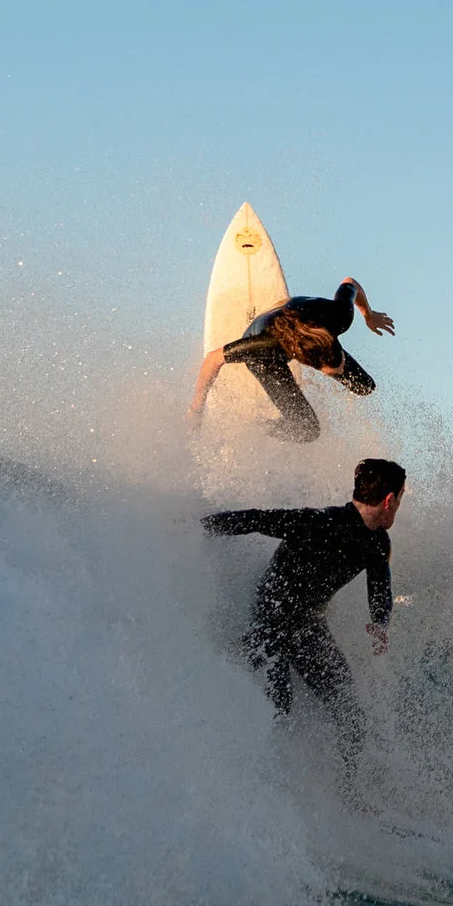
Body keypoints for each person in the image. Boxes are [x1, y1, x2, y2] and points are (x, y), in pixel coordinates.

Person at [202, 457, 407, 771]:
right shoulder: (321, 521)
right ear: (390, 500)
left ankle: (349, 796)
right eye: (401, 498)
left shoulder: (378, 543)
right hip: (271, 622)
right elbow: (257, 520)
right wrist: (197, 527)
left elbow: (380, 585)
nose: (399, 507)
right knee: (279, 709)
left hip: (307, 626)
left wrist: (380, 620)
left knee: (351, 715)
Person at [190, 280, 395, 443]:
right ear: (312, 364)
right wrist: (196, 410)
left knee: (365, 387)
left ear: (331, 337)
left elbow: (350, 282)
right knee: (306, 430)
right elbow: (213, 358)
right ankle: (258, 427)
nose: (342, 367)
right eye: (334, 370)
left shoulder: (339, 316)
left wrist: (368, 315)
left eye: (339, 361)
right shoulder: (266, 346)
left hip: (299, 313)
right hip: (266, 354)